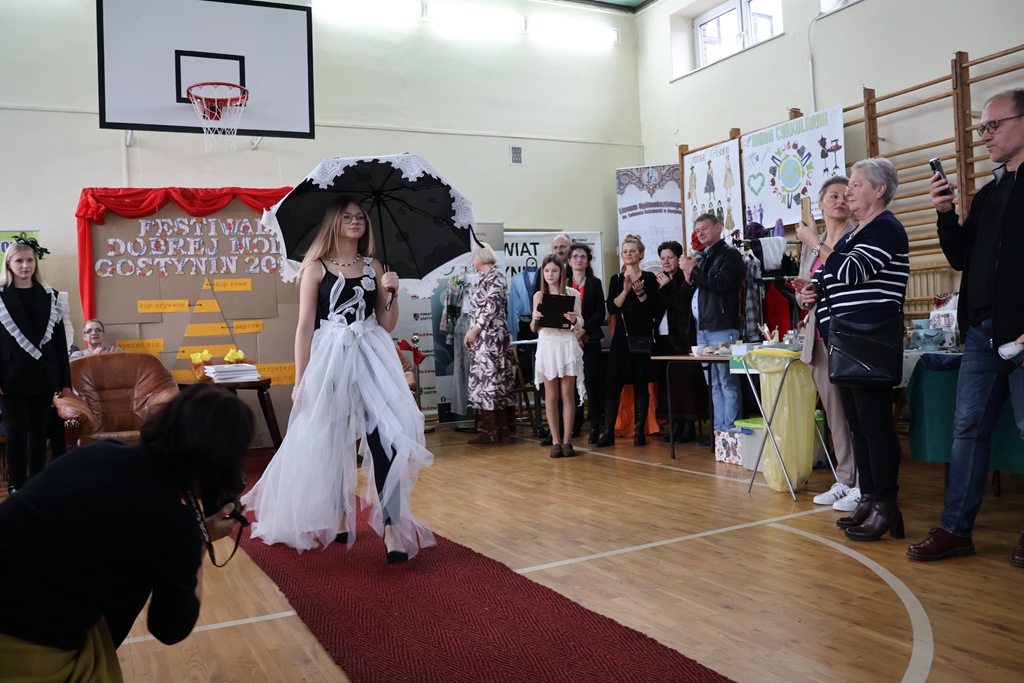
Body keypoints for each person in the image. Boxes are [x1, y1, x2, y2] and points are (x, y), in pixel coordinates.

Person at [0, 384, 253, 679]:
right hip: (22, 643)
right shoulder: (172, 521)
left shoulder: (99, 452)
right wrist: (199, 539)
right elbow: (171, 629)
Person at [243, 195, 434, 563]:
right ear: (334, 222)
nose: (355, 222)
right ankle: (338, 514)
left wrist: (393, 293)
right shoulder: (315, 268)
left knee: (384, 439)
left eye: (360, 217)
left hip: (371, 354)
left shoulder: (374, 266)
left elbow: (386, 323)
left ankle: (392, 527)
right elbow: (304, 327)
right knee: (330, 438)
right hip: (330, 356)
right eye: (347, 216)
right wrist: (300, 379)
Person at [907, 89, 1024, 565]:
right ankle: (956, 529)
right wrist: (944, 215)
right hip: (981, 333)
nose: (985, 136)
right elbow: (960, 258)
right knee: (967, 430)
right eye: (981, 128)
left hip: (1021, 333)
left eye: (993, 125)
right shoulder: (990, 193)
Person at [797, 158, 909, 542]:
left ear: (879, 190)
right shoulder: (856, 233)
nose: (848, 192)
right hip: (845, 340)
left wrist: (815, 243)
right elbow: (832, 279)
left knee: (875, 426)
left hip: (870, 340)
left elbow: (849, 272)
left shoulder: (885, 228)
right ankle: (869, 499)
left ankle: (886, 505)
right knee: (858, 426)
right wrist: (812, 291)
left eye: (856, 185)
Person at [795, 177, 859, 512]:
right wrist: (805, 296)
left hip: (848, 338)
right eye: (832, 196)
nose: (840, 201)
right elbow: (804, 290)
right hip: (819, 338)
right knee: (834, 415)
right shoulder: (811, 243)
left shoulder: (857, 236)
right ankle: (845, 478)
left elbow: (851, 279)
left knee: (856, 414)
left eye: (845, 196)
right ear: (819, 205)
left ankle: (863, 484)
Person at [0, 237, 72, 495]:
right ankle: (17, 484)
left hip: (43, 375)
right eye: (19, 260)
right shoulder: (1, 297)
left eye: (30, 260)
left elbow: (60, 342)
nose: (25, 265)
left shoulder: (51, 296)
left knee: (39, 433)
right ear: (9, 264)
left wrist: (65, 380)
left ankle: (38, 484)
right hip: (10, 377)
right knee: (16, 433)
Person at [679, 213, 744, 432]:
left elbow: (721, 284)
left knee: (727, 381)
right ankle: (719, 431)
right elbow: (694, 290)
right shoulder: (704, 257)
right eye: (697, 231)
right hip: (703, 329)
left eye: (704, 228)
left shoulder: (730, 255)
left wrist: (693, 270)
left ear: (718, 227)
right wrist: (689, 276)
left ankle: (731, 431)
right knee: (713, 383)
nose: (700, 233)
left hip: (722, 327)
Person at [597, 235, 658, 447]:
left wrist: (640, 293)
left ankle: (639, 432)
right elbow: (612, 308)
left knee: (641, 383)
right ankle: (608, 433)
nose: (629, 254)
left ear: (640, 254)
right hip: (621, 338)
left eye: (633, 251)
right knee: (614, 383)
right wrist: (625, 290)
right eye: (625, 251)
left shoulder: (650, 278)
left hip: (642, 336)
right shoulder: (616, 279)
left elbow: (653, 310)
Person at [531, 254, 585, 458]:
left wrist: (574, 320)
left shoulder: (572, 293)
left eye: (554, 270)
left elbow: (580, 321)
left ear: (561, 272)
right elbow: (534, 328)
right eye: (546, 271)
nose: (550, 274)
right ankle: (555, 440)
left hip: (566, 344)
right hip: (547, 344)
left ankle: (567, 440)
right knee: (551, 396)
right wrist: (535, 318)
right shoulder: (539, 296)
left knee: (567, 394)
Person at [654, 240, 706, 443]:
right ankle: (674, 423)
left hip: (683, 338)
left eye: (670, 258)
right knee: (669, 383)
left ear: (678, 259)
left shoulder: (686, 277)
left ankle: (687, 425)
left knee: (685, 384)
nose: (666, 261)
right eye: (663, 258)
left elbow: (684, 307)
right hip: (663, 336)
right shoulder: (659, 278)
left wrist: (668, 288)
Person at [464, 242, 516, 444]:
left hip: (491, 338)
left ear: (481, 256)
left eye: (473, 256)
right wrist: (472, 332)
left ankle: (494, 430)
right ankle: (496, 428)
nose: (472, 260)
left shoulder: (496, 277)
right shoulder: (485, 278)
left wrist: (473, 331)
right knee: (490, 381)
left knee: (492, 381)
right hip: (484, 338)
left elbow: (491, 308)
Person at [568, 242, 606, 444]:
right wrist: (574, 332)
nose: (579, 260)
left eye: (583, 257)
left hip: (590, 338)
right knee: (572, 383)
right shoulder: (564, 283)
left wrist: (583, 330)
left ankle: (594, 424)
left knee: (592, 383)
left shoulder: (595, 283)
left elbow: (600, 313)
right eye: (575, 256)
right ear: (569, 261)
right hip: (569, 340)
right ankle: (574, 424)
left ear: (588, 261)